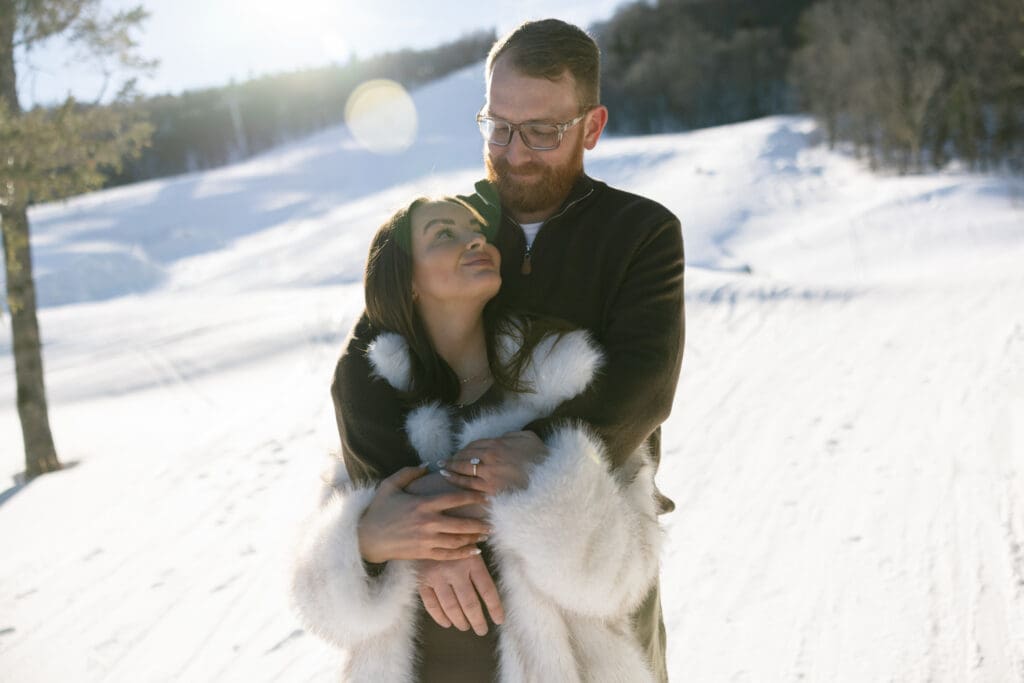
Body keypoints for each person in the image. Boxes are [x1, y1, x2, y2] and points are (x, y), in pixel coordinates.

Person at [327, 18, 684, 682]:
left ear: (592, 126)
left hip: (586, 560)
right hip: (453, 602)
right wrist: (415, 524)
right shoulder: (456, 225)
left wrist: (543, 449)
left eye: (542, 132)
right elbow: (363, 366)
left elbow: (646, 380)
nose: (515, 152)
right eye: (498, 127)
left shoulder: (640, 234)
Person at [292, 196, 664, 681]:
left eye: (476, 229)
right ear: (405, 281)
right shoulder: (378, 418)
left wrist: (546, 482)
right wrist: (367, 542)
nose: (474, 239)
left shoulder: (565, 389)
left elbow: (621, 580)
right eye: (443, 234)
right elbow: (322, 606)